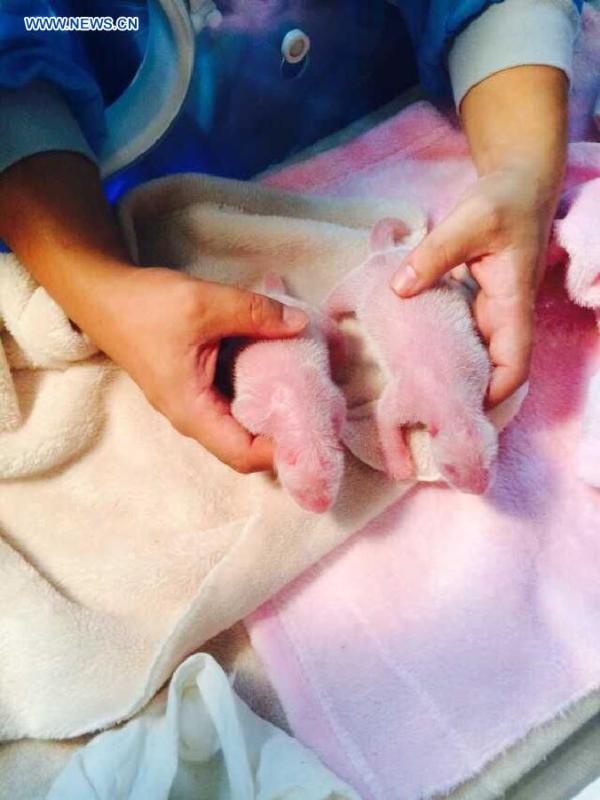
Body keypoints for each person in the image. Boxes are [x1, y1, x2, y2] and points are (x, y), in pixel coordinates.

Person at [0, 0, 581, 473]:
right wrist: (103, 291)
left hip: (397, 115)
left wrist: (521, 172)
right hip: (109, 186)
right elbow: (18, 46)